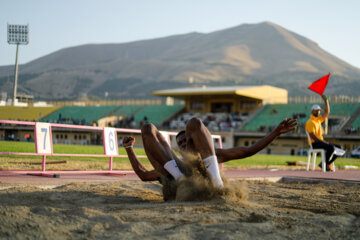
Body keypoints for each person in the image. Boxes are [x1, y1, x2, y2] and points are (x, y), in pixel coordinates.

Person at [123, 117, 297, 188]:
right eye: (181, 143)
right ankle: (179, 179)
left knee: (194, 123)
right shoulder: (173, 162)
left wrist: (275, 133)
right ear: (178, 148)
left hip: (208, 180)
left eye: (187, 140)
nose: (184, 143)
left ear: (194, 143)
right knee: (147, 128)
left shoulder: (212, 155)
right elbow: (144, 175)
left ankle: (216, 181)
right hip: (178, 181)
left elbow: (249, 151)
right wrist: (129, 149)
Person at [305, 94, 341, 171]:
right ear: (312, 111)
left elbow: (327, 112)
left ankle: (325, 163)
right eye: (316, 110)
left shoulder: (318, 120)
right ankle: (325, 164)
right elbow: (312, 136)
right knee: (331, 147)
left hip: (320, 142)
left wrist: (326, 100)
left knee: (338, 147)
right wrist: (323, 141)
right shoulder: (310, 122)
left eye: (319, 110)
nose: (318, 111)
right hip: (314, 143)